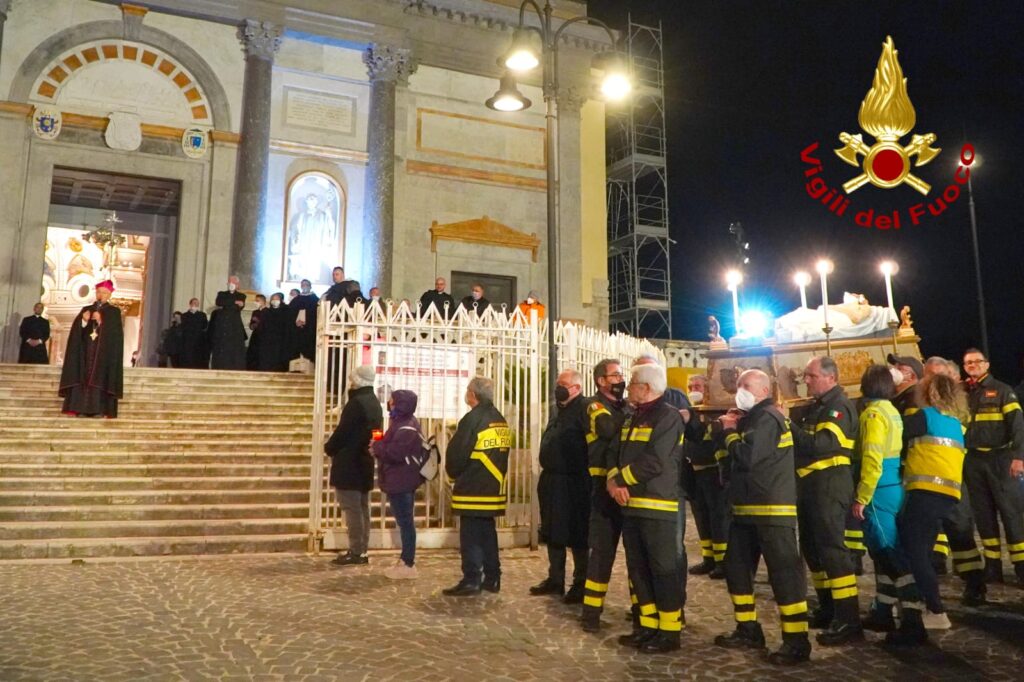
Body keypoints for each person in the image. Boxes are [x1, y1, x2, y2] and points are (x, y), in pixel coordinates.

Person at [713, 369, 811, 666]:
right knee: (737, 570)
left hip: (771, 511)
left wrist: (728, 432)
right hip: (747, 511)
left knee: (784, 576)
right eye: (738, 385)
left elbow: (747, 455)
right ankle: (747, 628)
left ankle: (796, 641)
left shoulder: (768, 417)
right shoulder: (753, 418)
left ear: (764, 390)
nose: (738, 390)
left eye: (745, 386)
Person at [608, 362, 685, 654]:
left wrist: (620, 479)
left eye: (633, 385)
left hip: (657, 505)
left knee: (663, 569)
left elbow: (656, 461)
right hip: (631, 505)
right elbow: (618, 452)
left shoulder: (668, 417)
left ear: (647, 388)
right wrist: (613, 482)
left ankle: (669, 632)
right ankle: (647, 627)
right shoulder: (632, 417)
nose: (628, 389)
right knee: (638, 569)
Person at [888, 373, 970, 643]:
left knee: (914, 552)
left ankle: (935, 609)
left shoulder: (926, 417)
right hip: (947, 494)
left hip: (925, 492)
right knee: (922, 550)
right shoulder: (955, 424)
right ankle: (927, 604)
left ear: (930, 393)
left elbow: (895, 432)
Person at [852, 366, 926, 640]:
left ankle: (913, 621)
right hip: (894, 486)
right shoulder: (892, 410)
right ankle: (882, 612)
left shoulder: (872, 414)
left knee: (889, 554)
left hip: (878, 490)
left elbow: (872, 456)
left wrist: (862, 496)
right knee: (884, 557)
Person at [792, 356, 861, 646]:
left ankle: (849, 619)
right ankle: (828, 608)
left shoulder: (838, 407)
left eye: (811, 376)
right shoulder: (818, 407)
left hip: (829, 487)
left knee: (833, 552)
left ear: (830, 377)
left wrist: (787, 426)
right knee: (812, 549)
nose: (806, 381)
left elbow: (823, 446)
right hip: (811, 488)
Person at [961, 347, 1024, 585]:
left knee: (1011, 514)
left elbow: (1018, 427)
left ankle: (1021, 566)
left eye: (977, 362)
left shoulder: (1003, 391)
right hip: (974, 461)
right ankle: (993, 567)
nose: (973, 366)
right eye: (968, 363)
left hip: (1001, 459)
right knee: (984, 516)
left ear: (987, 365)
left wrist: (1019, 457)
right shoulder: (964, 393)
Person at [443, 377, 511, 597]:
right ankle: (493, 577)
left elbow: (458, 454)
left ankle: (472, 579)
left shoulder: (472, 419)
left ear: (473, 395)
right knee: (487, 533)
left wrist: (452, 473)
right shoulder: (499, 419)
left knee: (471, 535)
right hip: (493, 487)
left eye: (467, 390)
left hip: (473, 488)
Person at [532, 369, 591, 603]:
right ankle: (555, 579)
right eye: (558, 383)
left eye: (563, 383)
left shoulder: (585, 409)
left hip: (575, 482)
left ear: (576, 387)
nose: (559, 387)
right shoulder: (558, 410)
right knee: (553, 530)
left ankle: (580, 583)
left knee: (577, 534)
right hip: (552, 480)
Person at [580, 359, 628, 632]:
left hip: (627, 484)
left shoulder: (626, 408)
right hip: (601, 486)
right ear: (600, 380)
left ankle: (640, 610)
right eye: (615, 375)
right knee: (602, 552)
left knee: (635, 553)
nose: (620, 380)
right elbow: (609, 430)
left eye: (622, 375)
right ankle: (591, 613)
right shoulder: (593, 406)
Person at [325, 365, 383, 566]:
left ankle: (356, 550)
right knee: (362, 508)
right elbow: (377, 433)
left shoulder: (356, 403)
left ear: (357, 381)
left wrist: (330, 448)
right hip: (365, 461)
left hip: (349, 462)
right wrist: (373, 447)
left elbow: (343, 432)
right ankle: (362, 549)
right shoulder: (374, 403)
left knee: (352, 509)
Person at [372, 389, 424, 580]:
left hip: (402, 480)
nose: (389, 403)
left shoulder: (406, 427)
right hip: (399, 479)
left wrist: (376, 447)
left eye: (392, 401)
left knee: (405, 523)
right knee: (404, 522)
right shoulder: (401, 423)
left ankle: (408, 563)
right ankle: (405, 560)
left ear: (400, 404)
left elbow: (394, 453)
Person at [684, 374, 729, 580]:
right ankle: (708, 558)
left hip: (713, 470)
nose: (694, 389)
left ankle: (723, 562)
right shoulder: (689, 413)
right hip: (695, 470)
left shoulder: (715, 411)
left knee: (717, 517)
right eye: (691, 386)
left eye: (698, 386)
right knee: (701, 517)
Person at [58, 279, 124, 418]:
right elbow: (77, 332)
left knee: (100, 380)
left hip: (103, 355)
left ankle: (99, 410)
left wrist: (101, 321)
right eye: (99, 292)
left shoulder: (114, 312)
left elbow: (115, 334)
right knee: (83, 377)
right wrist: (83, 321)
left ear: (109, 295)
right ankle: (80, 408)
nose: (101, 295)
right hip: (86, 352)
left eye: (104, 293)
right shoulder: (86, 309)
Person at [209, 276, 247, 370]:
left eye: (233, 282)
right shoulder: (221, 293)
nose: (230, 284)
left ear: (237, 285)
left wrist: (229, 303)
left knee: (234, 350)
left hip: (234, 326)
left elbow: (238, 307)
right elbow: (219, 302)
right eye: (229, 282)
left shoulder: (241, 295)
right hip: (222, 326)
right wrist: (234, 301)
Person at [257, 293, 291, 372]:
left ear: (281, 300)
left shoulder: (286, 311)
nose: (274, 301)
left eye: (276, 299)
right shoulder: (267, 312)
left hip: (281, 342)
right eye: (273, 299)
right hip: (268, 341)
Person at [289, 279, 319, 363]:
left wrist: (308, 322)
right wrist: (295, 322)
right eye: (303, 284)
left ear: (310, 286)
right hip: (296, 330)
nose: (304, 286)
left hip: (310, 331)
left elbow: (317, 314)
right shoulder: (296, 300)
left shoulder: (315, 299)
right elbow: (290, 314)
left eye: (306, 284)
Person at [179, 298, 208, 369]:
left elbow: (205, 326)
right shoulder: (184, 315)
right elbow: (183, 327)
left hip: (198, 341)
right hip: (188, 341)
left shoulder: (202, 315)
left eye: (197, 303)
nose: (195, 304)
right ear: (190, 304)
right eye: (194, 303)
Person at [246, 294, 267, 370]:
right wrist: (252, 325)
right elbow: (252, 325)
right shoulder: (255, 312)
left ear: (263, 301)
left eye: (257, 301)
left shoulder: (268, 312)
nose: (256, 302)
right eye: (255, 301)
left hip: (264, 337)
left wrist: (259, 322)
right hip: (255, 336)